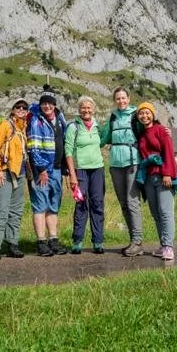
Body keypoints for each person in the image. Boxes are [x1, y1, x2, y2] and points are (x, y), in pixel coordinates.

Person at [26, 85, 69, 256]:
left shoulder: (59, 118)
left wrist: (65, 168)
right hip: (42, 171)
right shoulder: (36, 121)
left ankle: (53, 239)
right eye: (44, 103)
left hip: (57, 169)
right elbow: (33, 147)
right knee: (40, 205)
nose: (47, 106)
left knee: (53, 205)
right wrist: (41, 168)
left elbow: (64, 141)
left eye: (50, 103)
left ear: (54, 104)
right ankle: (41, 242)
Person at [100, 86, 143, 256]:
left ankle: (137, 241)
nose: (121, 101)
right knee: (124, 204)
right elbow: (103, 138)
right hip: (115, 164)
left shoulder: (135, 115)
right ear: (115, 100)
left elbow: (148, 130)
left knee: (132, 202)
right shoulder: (113, 117)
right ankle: (134, 242)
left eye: (123, 98)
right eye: (118, 98)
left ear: (129, 98)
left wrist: (163, 131)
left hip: (132, 162)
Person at [0, 98, 30, 261]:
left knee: (16, 211)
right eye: (18, 107)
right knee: (2, 211)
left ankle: (12, 244)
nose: (21, 109)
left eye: (24, 108)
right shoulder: (5, 125)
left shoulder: (23, 127)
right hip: (5, 173)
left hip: (20, 173)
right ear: (12, 109)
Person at [135, 102, 177, 261]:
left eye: (147, 113)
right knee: (156, 213)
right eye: (141, 113)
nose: (144, 116)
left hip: (162, 176)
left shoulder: (161, 130)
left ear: (153, 115)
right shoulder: (141, 134)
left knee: (165, 212)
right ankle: (163, 245)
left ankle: (168, 247)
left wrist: (167, 174)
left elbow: (168, 152)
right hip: (148, 178)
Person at [65, 96, 106, 254]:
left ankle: (98, 241)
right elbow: (68, 151)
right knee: (81, 204)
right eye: (83, 107)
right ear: (79, 109)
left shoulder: (97, 127)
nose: (86, 110)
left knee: (97, 204)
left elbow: (105, 139)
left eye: (89, 107)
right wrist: (72, 175)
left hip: (97, 169)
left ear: (93, 109)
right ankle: (78, 241)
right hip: (80, 170)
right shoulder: (73, 127)